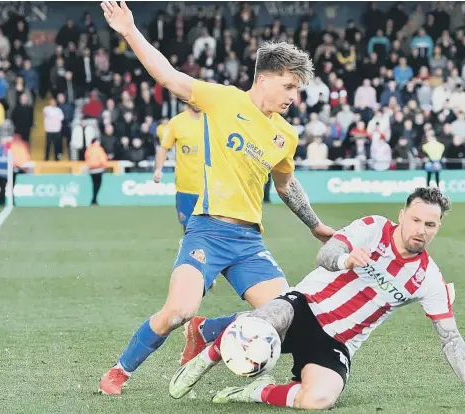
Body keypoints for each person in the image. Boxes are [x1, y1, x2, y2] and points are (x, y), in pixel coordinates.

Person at [98, 1, 335, 395]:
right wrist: (129, 31)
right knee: (178, 310)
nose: (295, 95)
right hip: (207, 230)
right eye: (290, 86)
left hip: (249, 243)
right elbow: (167, 74)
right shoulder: (222, 99)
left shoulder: (285, 135)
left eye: (298, 88)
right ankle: (121, 370)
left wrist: (315, 225)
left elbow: (285, 184)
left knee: (287, 315)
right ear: (265, 78)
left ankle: (205, 330)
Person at [169, 187, 465, 411]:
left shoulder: (428, 278)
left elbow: (450, 337)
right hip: (304, 306)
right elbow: (326, 254)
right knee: (267, 316)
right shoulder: (372, 228)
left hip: (338, 342)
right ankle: (206, 358)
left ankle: (255, 391)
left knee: (319, 398)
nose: (421, 229)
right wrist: (346, 260)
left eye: (430, 224)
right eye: (416, 220)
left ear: (438, 227)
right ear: (402, 215)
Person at [153, 104, 203, 231]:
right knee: (188, 230)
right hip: (185, 188)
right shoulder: (176, 123)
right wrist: (158, 169)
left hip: (211, 189)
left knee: (212, 232)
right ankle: (190, 250)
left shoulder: (214, 120)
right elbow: (163, 148)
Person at [85, 138, 108, 205]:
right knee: (97, 184)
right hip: (99, 169)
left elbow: (86, 158)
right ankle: (94, 199)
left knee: (94, 184)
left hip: (91, 170)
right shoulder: (99, 149)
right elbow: (103, 159)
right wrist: (105, 166)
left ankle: (94, 199)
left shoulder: (89, 149)